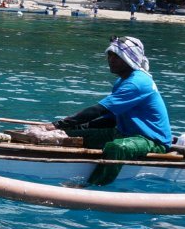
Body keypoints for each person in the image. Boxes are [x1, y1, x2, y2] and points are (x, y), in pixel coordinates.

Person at [53, 36, 172, 186]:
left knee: (117, 147)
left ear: (129, 59)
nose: (110, 60)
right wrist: (74, 127)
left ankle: (91, 185)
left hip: (151, 140)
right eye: (109, 55)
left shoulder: (137, 83)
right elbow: (110, 118)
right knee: (69, 134)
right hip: (123, 133)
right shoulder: (122, 81)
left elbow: (99, 110)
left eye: (116, 56)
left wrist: (57, 124)